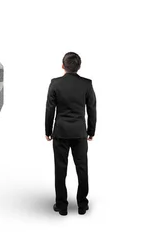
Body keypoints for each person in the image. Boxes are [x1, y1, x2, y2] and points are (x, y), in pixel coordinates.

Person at [45, 52, 97, 215]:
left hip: (60, 132)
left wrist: (48, 131)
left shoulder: (55, 83)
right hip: (80, 132)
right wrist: (91, 130)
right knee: (82, 168)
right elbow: (92, 109)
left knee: (60, 169)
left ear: (63, 66)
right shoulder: (87, 84)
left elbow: (50, 109)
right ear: (79, 67)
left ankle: (61, 206)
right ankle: (82, 204)